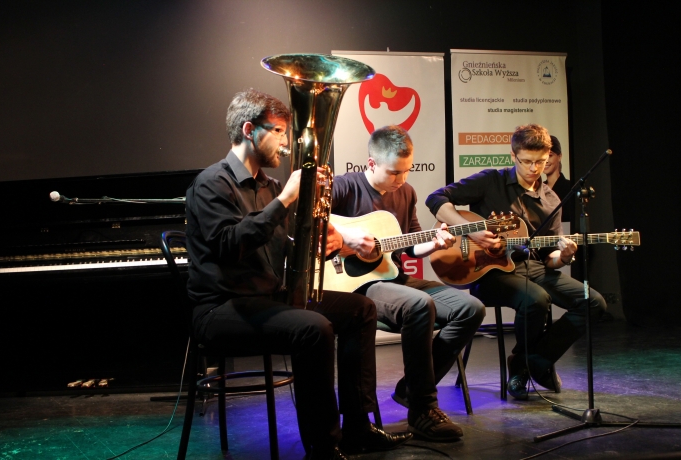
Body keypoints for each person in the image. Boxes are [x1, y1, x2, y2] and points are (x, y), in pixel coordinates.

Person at [185, 89, 411, 460]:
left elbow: (291, 246)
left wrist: (327, 241)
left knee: (361, 310)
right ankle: (323, 447)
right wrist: (286, 200)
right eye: (278, 131)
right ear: (249, 130)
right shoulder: (211, 183)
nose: (286, 143)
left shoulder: (270, 187)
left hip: (268, 299)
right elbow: (229, 245)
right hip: (221, 307)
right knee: (313, 328)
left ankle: (358, 427)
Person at [425, 123, 607, 400]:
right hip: (487, 272)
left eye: (540, 162)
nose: (534, 168)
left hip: (532, 268)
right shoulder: (491, 181)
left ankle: (529, 362)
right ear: (513, 155)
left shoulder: (551, 200)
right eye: (526, 161)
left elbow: (549, 259)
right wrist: (471, 230)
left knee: (593, 302)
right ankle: (529, 366)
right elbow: (436, 198)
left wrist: (564, 256)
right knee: (536, 299)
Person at [330, 125, 485, 441]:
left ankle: (411, 390)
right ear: (372, 164)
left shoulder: (407, 192)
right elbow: (309, 220)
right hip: (353, 285)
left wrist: (435, 243)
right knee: (419, 304)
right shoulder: (344, 187)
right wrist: (348, 239)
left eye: (407, 171)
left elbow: (410, 244)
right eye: (394, 172)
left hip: (391, 276)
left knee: (471, 308)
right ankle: (423, 409)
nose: (401, 179)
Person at [543, 135, 574, 223]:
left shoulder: (570, 188)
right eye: (542, 157)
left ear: (559, 156)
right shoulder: (537, 189)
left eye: (550, 155)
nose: (546, 161)